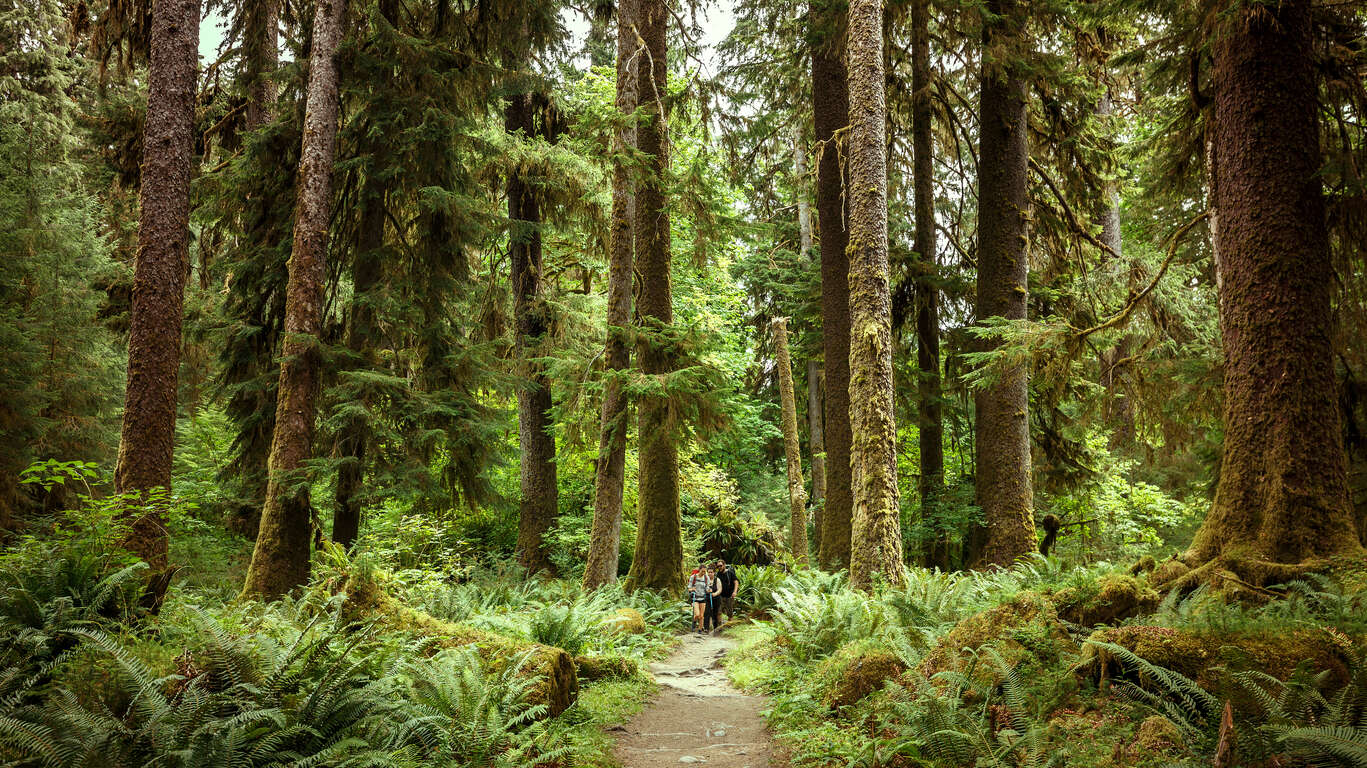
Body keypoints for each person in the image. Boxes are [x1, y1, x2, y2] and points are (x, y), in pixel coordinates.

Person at [687, 564, 711, 632]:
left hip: (703, 598)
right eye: (702, 571)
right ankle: (694, 622)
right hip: (695, 598)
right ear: (699, 570)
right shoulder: (693, 577)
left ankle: (700, 630)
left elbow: (707, 588)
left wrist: (709, 590)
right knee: (697, 614)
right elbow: (689, 588)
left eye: (705, 572)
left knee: (701, 616)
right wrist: (692, 589)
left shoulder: (706, 578)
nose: (703, 573)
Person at [714, 559, 739, 623]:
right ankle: (719, 626)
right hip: (720, 595)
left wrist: (735, 592)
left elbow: (736, 582)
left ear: (724, 565)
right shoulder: (718, 574)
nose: (719, 567)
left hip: (729, 595)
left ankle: (729, 624)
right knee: (718, 611)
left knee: (729, 612)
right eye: (718, 566)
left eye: (721, 565)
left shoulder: (730, 573)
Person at [704, 564, 723, 632]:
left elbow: (720, 589)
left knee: (715, 613)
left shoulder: (717, 580)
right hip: (707, 598)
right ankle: (706, 628)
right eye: (708, 572)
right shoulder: (705, 580)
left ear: (714, 573)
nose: (710, 574)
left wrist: (715, 594)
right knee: (706, 613)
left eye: (711, 572)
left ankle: (716, 628)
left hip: (716, 599)